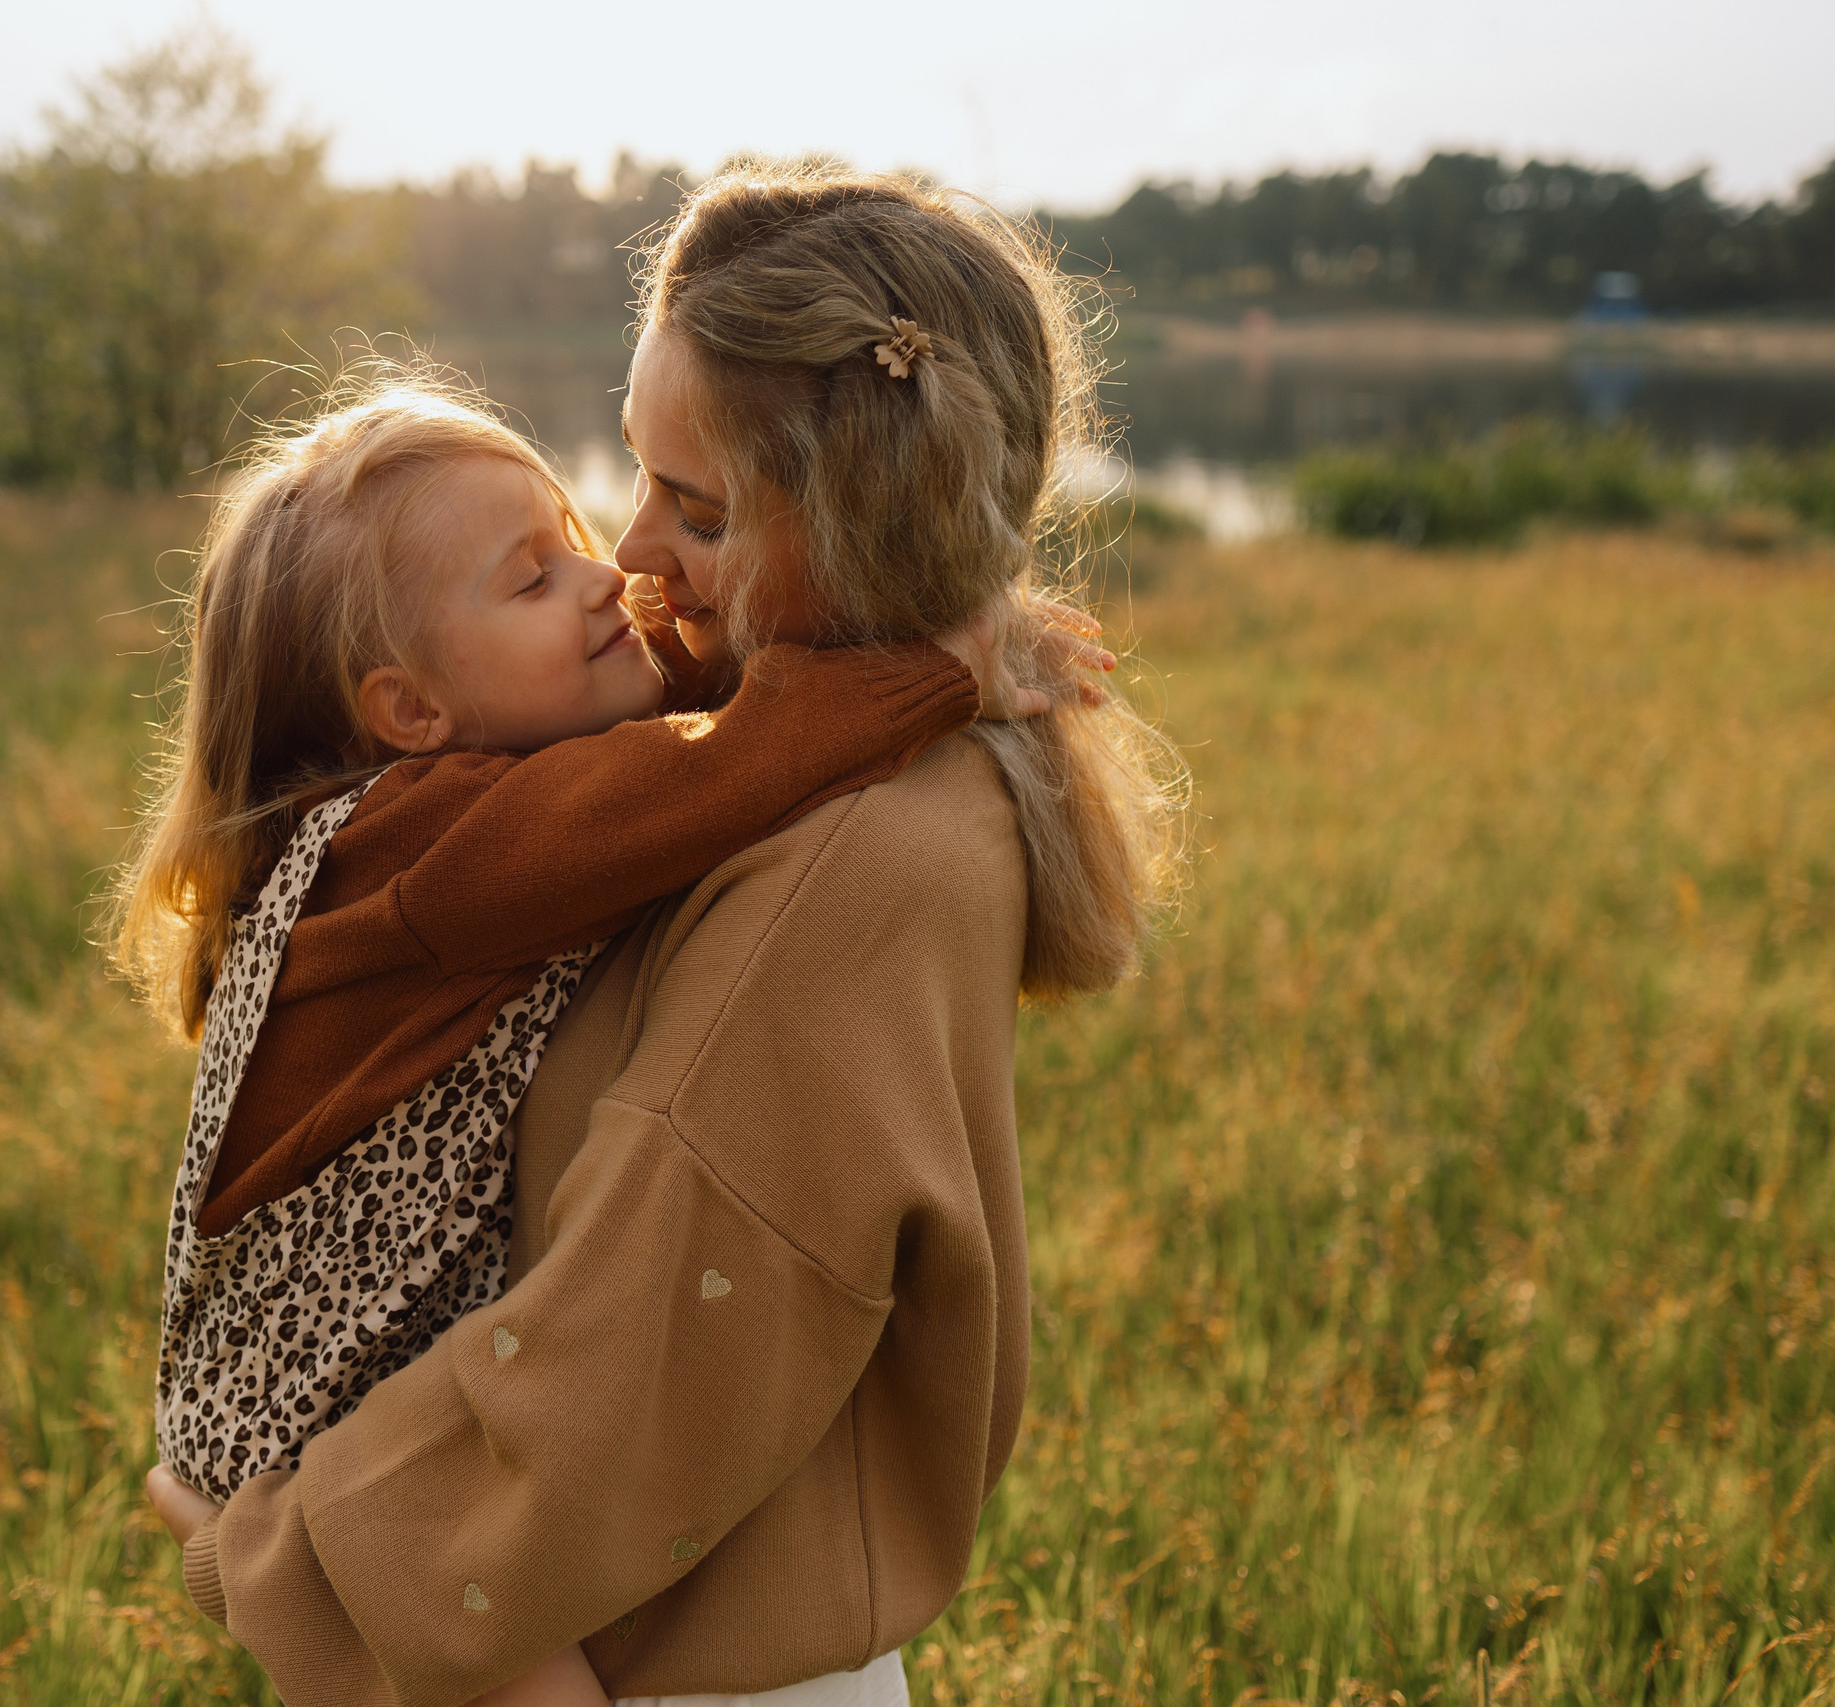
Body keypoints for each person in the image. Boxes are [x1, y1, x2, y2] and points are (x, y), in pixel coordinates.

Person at [154, 163, 1185, 1707]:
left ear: (848, 528)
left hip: (638, 1655)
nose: (628, 556)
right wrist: (938, 657)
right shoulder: (763, 785)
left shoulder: (840, 852)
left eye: (693, 509)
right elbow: (701, 763)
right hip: (582, 1598)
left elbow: (623, 1373)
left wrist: (251, 1557)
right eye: (630, 482)